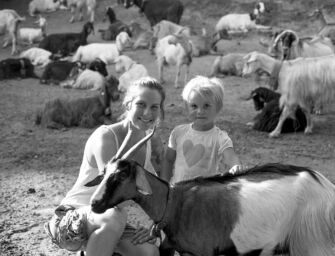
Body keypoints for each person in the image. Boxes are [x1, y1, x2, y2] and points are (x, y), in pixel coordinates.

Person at [44, 77, 165, 256]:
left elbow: (157, 196)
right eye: (141, 104)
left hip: (109, 222)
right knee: (114, 215)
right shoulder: (106, 136)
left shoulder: (147, 143)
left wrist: (152, 227)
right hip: (70, 220)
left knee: (150, 252)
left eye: (154, 107)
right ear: (128, 104)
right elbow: (112, 194)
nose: (147, 113)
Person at [161, 75, 244, 184]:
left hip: (205, 196)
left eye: (206, 106)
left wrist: (236, 166)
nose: (200, 111)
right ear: (186, 107)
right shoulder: (178, 133)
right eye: (194, 106)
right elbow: (168, 160)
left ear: (218, 107)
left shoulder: (220, 138)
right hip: (178, 192)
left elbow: (231, 157)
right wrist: (164, 184)